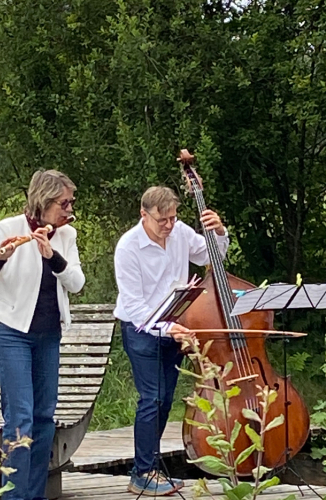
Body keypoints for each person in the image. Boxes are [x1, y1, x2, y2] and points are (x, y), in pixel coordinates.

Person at [0, 170, 85, 500]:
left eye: (70, 203)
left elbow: (76, 284)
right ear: (44, 201)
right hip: (9, 332)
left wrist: (53, 257)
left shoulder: (66, 235)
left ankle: (34, 494)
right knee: (20, 418)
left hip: (47, 335)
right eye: (64, 203)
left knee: (44, 417)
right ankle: (14, 496)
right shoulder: (8, 229)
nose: (69, 209)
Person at [113, 186, 227, 496]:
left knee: (164, 400)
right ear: (144, 214)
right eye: (162, 219)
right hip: (141, 329)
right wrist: (167, 328)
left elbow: (211, 257)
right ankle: (142, 472)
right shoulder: (128, 247)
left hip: (176, 324)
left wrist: (219, 233)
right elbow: (135, 307)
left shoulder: (181, 232)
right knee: (151, 397)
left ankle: (149, 466)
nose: (169, 225)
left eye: (173, 218)